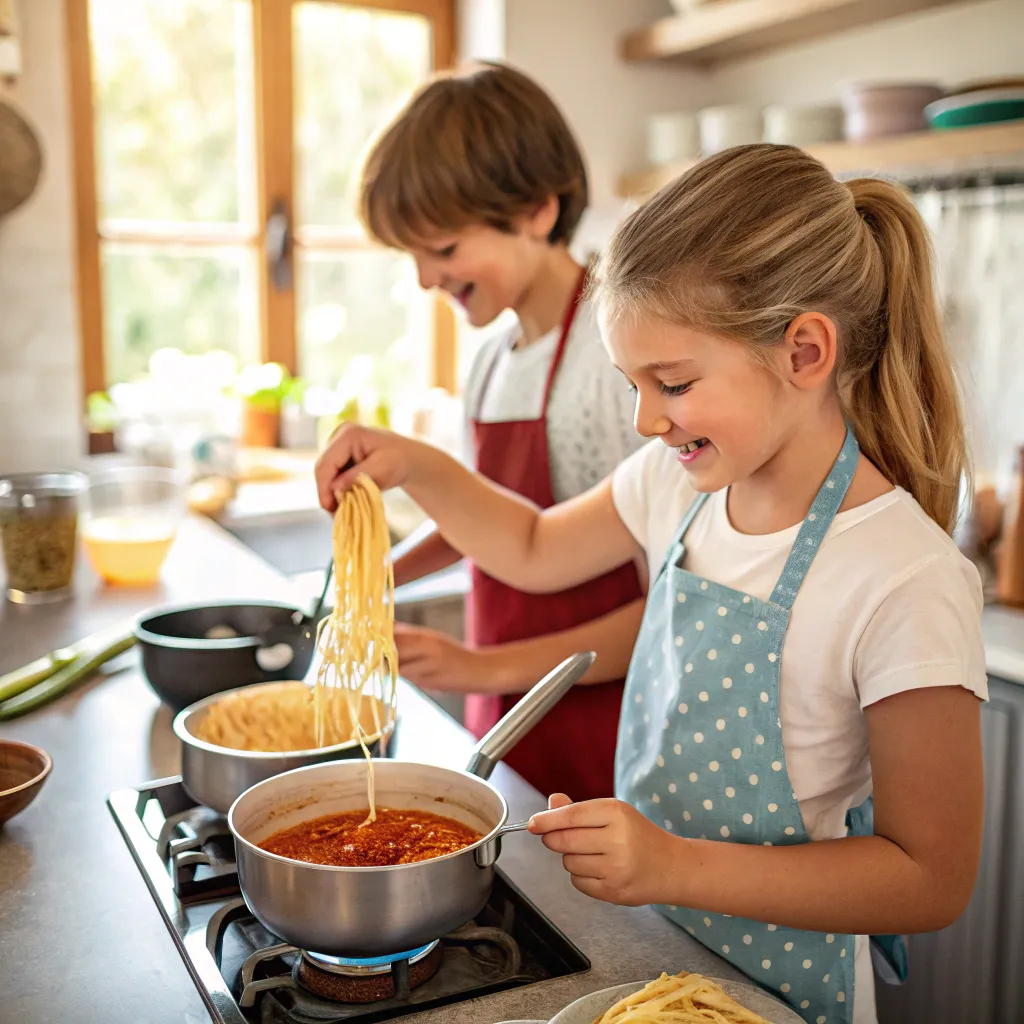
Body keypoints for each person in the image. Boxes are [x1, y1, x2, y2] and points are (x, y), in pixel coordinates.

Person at [318, 144, 987, 1024]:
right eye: (634, 383)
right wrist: (414, 465)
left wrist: (669, 863)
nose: (644, 417)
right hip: (648, 956)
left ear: (806, 351)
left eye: (671, 382)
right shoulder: (679, 483)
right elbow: (527, 543)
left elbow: (929, 879)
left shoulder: (905, 576)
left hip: (789, 991)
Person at [357, 61, 647, 800]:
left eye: (444, 250)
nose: (425, 279)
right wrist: (378, 576)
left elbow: (671, 600)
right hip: (504, 716)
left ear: (537, 213)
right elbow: (486, 516)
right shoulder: (492, 360)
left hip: (606, 723)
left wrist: (479, 667)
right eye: (414, 254)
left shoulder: (623, 358)